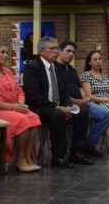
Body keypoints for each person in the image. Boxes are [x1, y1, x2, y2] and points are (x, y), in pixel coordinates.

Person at [23, 37, 93, 168]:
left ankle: (76, 152)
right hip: (39, 108)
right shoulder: (32, 67)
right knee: (57, 114)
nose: (56, 51)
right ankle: (58, 157)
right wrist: (58, 107)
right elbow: (34, 96)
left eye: (57, 48)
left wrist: (67, 106)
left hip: (58, 106)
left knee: (82, 113)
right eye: (53, 49)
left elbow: (63, 92)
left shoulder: (56, 67)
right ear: (42, 51)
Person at [0, 43, 41, 172]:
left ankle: (27, 157)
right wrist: (14, 107)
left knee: (34, 118)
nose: (6, 55)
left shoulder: (8, 71)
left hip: (12, 108)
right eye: (2, 52)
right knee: (22, 120)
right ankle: (20, 160)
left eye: (7, 53)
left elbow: (19, 91)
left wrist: (21, 102)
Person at [56, 41, 109, 157]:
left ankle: (89, 145)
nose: (71, 54)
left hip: (83, 103)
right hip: (68, 104)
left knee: (106, 114)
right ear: (60, 51)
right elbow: (60, 93)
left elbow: (80, 87)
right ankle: (79, 149)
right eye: (68, 51)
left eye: (73, 52)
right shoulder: (54, 69)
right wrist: (77, 102)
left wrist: (85, 99)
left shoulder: (71, 69)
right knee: (83, 114)